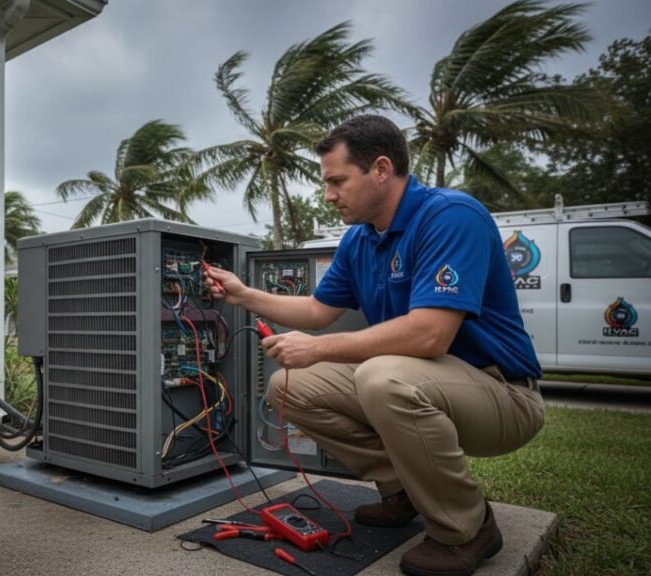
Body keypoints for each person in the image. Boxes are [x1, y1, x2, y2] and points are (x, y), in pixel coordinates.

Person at [205, 115, 544, 576]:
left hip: (503, 394)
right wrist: (244, 294)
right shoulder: (360, 240)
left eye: (337, 181)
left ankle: (466, 528)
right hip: (422, 382)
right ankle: (403, 490)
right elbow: (317, 311)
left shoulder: (450, 216)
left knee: (381, 376)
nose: (329, 195)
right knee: (289, 386)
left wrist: (320, 349)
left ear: (381, 169)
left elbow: (430, 334)